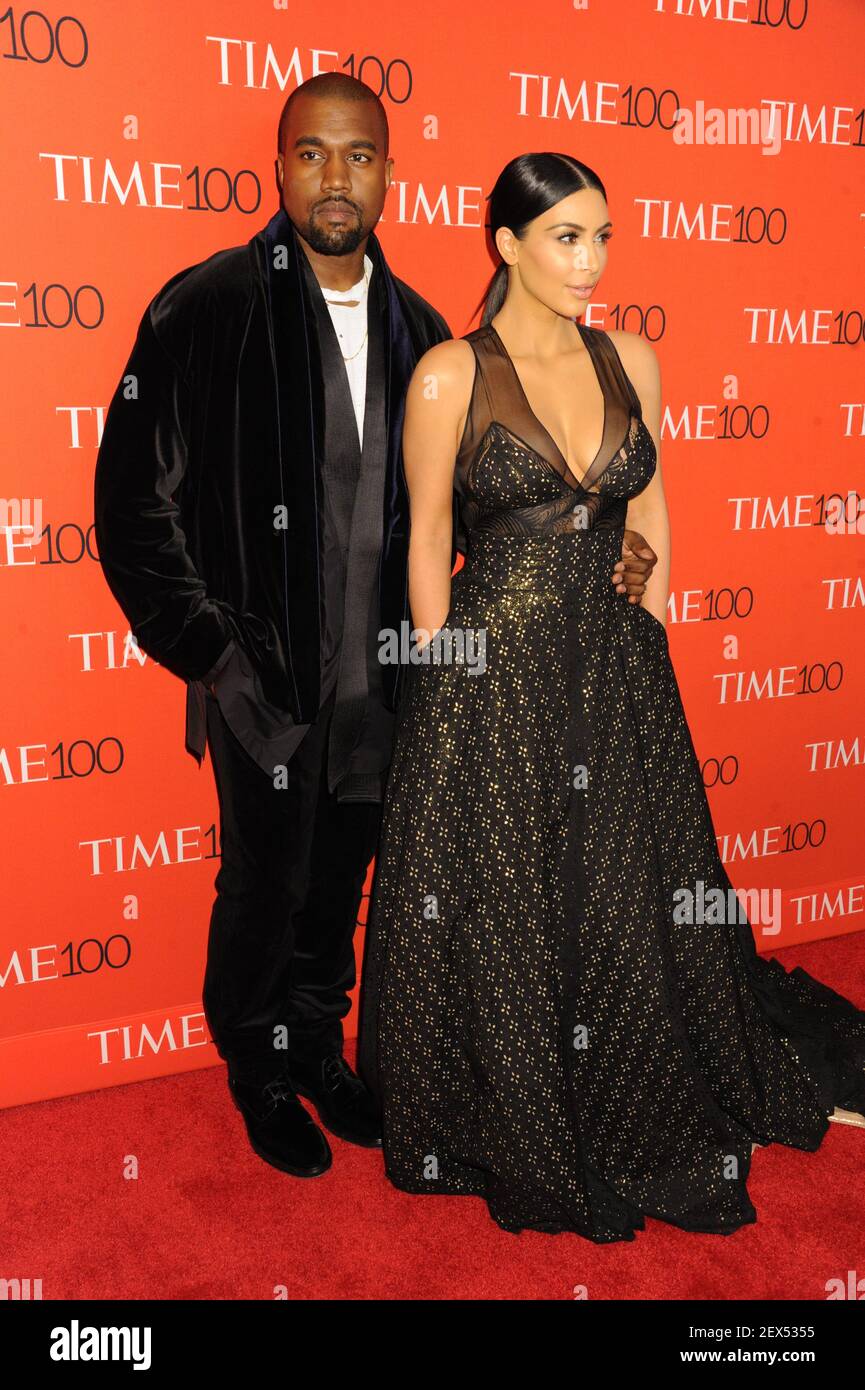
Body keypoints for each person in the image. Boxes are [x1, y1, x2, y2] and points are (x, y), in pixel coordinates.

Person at [93, 80, 659, 1182]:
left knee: (342, 878)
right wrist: (216, 652)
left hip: (393, 679)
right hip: (262, 676)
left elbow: (482, 508)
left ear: (390, 174)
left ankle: (316, 1044)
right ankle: (257, 1067)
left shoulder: (425, 335)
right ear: (281, 170)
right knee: (261, 884)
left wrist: (606, 551)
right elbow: (131, 504)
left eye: (359, 157)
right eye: (313, 155)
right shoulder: (205, 307)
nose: (336, 178)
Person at [356, 152, 865, 1241]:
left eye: (602, 237)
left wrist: (649, 623)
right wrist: (448, 699)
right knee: (512, 895)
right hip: (493, 678)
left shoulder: (629, 356)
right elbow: (429, 542)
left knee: (630, 885)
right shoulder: (449, 373)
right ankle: (521, 1104)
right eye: (566, 238)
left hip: (617, 668)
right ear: (506, 245)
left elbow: (654, 508)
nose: (590, 262)